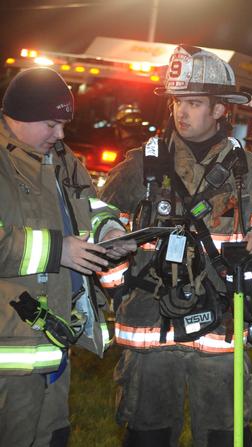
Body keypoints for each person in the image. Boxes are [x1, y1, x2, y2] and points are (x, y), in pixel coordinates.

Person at [100, 44, 252, 447]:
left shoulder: (249, 170)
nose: (181, 113)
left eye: (194, 103)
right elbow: (98, 220)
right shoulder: (142, 164)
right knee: (147, 436)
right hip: (151, 329)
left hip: (221, 332)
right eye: (177, 102)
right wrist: (115, 262)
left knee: (222, 438)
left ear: (220, 109)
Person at [0, 67, 135, 447]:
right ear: (19, 116)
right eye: (50, 124)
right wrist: (59, 250)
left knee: (53, 437)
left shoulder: (60, 156)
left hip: (53, 342)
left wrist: (110, 230)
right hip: (9, 357)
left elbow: (91, 202)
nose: (60, 135)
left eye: (63, 124)